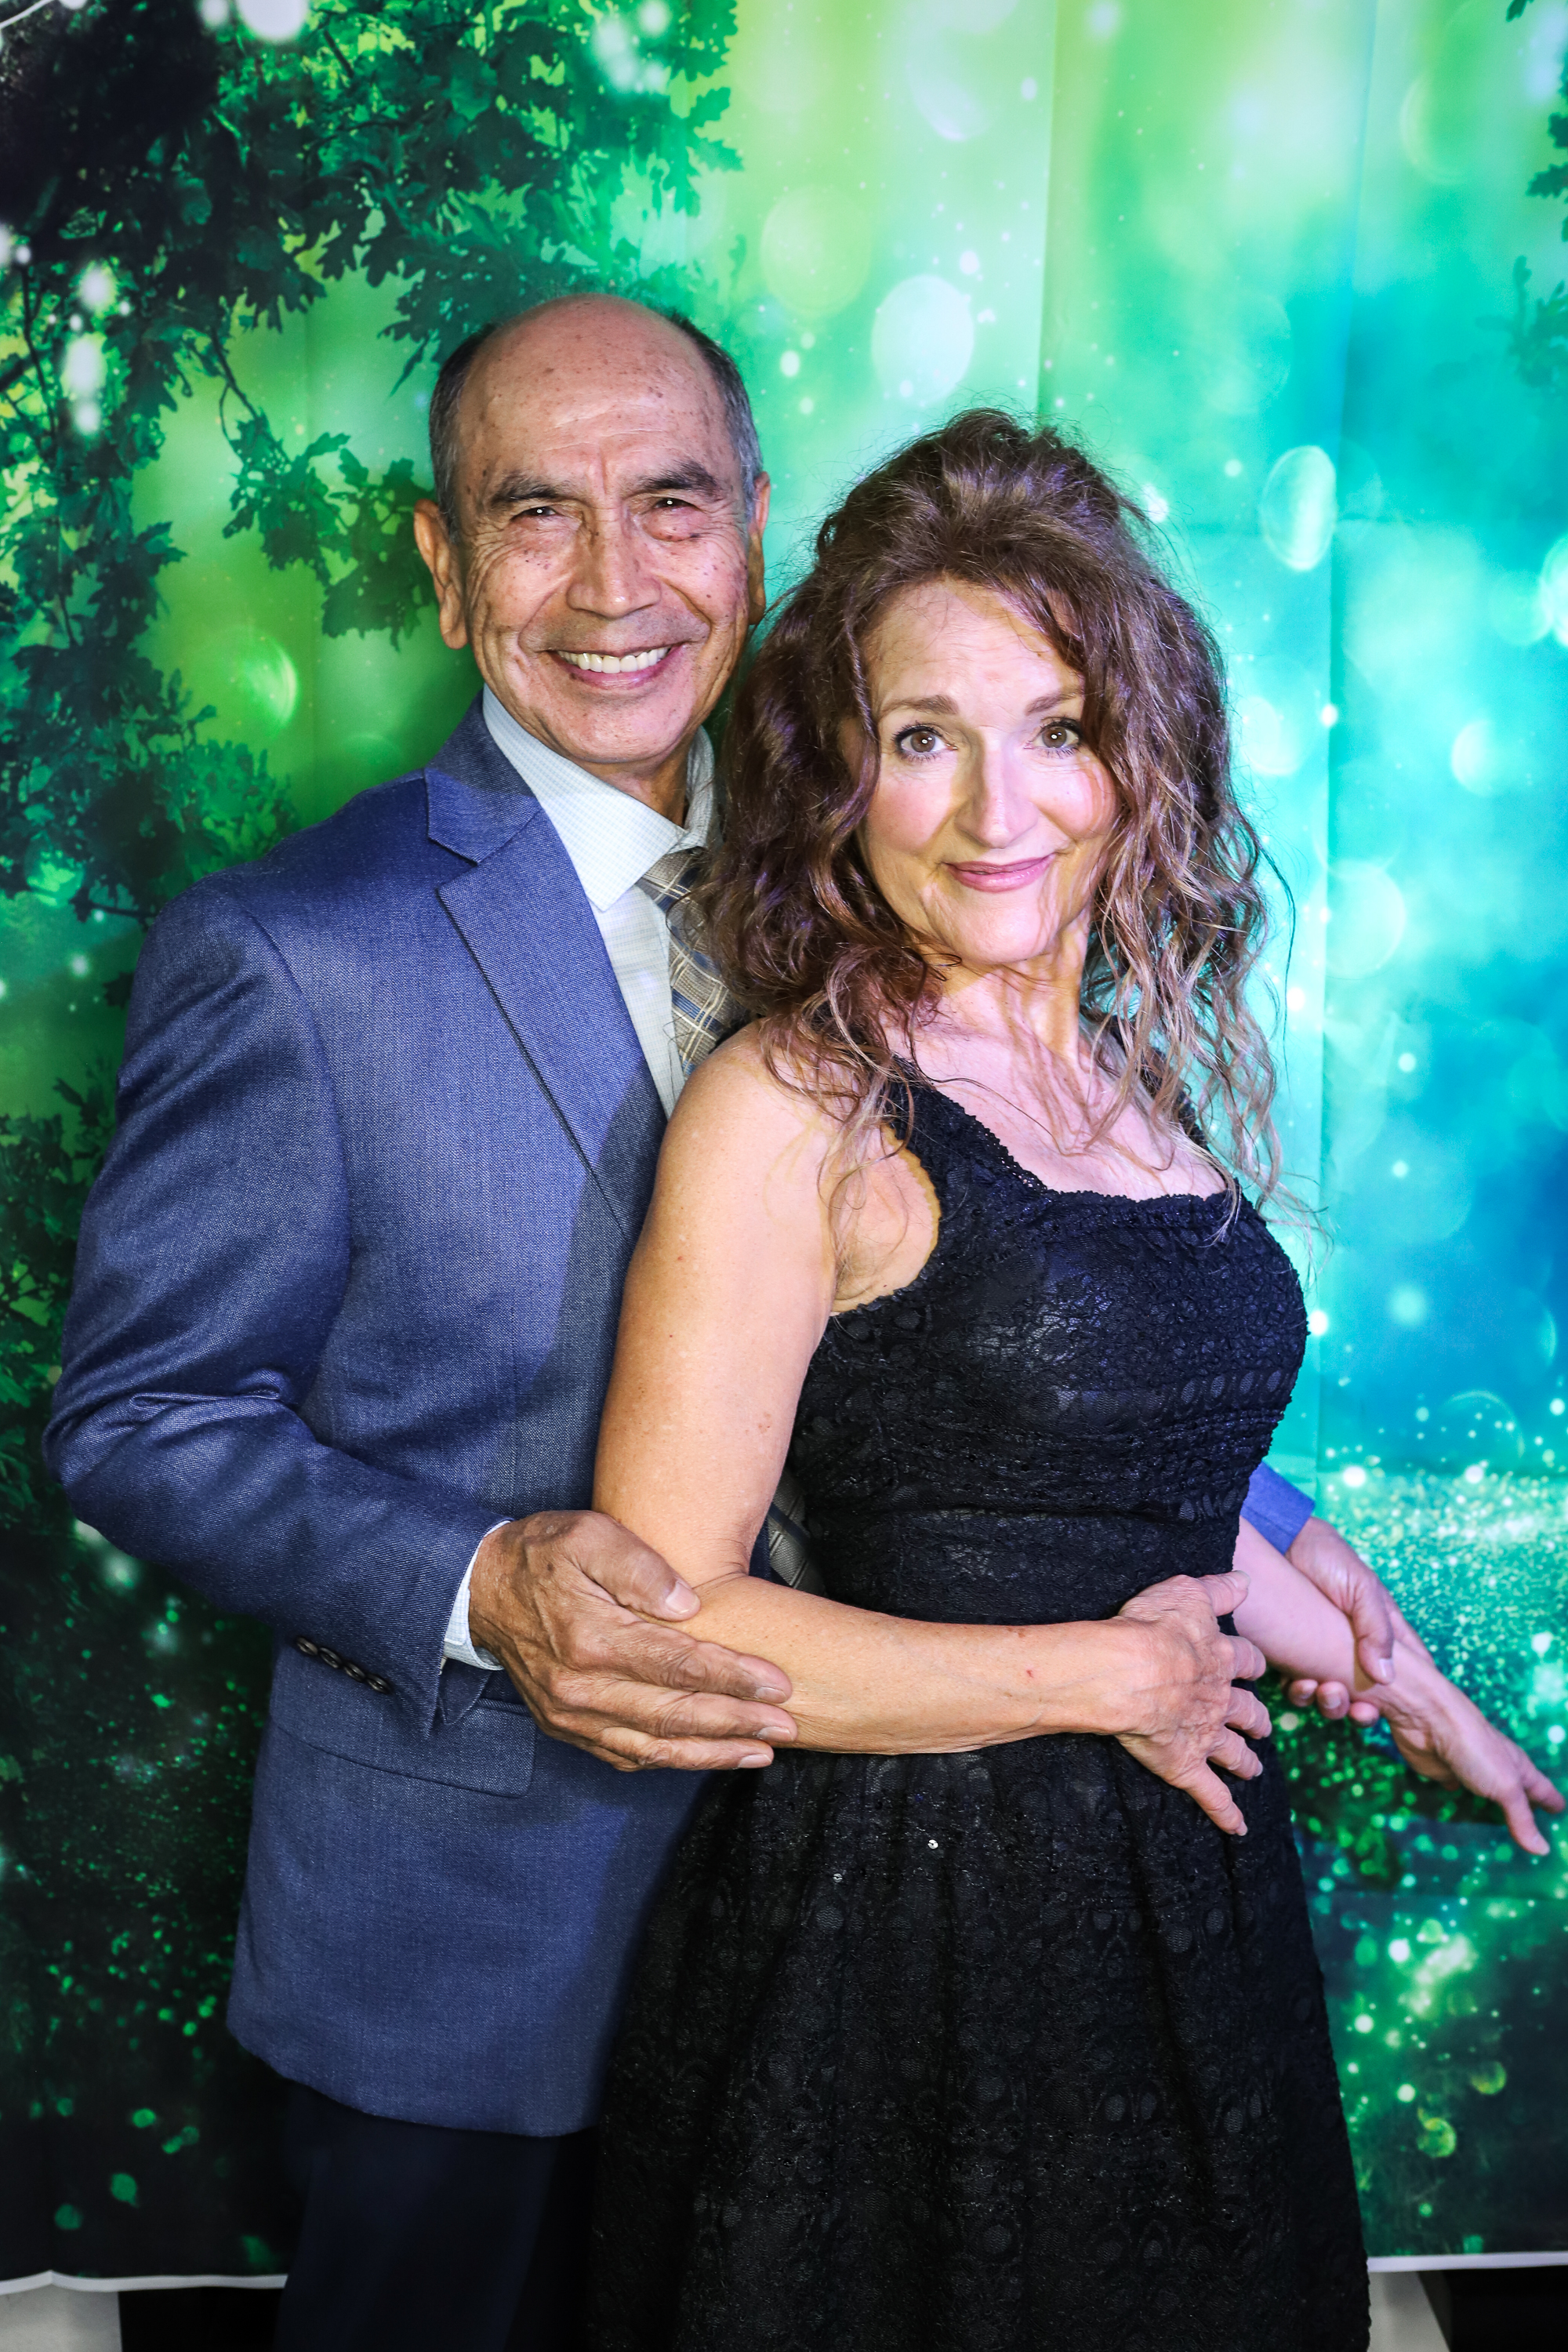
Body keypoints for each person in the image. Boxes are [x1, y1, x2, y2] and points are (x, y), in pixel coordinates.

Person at [36, 296, 1504, 2349]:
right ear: (445, 567)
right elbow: (142, 1418)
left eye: (670, 505)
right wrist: (480, 1585)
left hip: (875, 1902)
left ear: (751, 528)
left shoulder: (891, 856)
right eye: (534, 514)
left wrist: (1275, 1540)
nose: (615, 583)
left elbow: (951, 1363)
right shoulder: (299, 948)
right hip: (487, 1932)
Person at [583, 412, 1563, 2352]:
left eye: (1056, 728)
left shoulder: (1128, 1084)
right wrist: (1099, 1681)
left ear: (1137, 755)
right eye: (921, 737)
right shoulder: (795, 1105)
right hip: (902, 1931)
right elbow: (663, 1614)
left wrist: (1400, 1683)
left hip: (1183, 1904)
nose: (994, 809)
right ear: (836, 770)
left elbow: (1140, 1507)